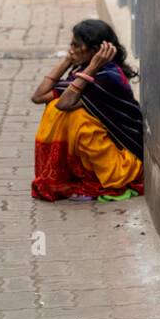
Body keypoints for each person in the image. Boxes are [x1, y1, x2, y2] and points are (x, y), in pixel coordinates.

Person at [31, 19, 144, 201]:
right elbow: (38, 96)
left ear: (95, 52)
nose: (71, 49)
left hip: (123, 160)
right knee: (61, 111)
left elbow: (64, 103)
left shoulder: (107, 76)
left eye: (76, 45)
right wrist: (68, 60)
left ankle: (98, 175)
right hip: (106, 148)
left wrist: (92, 68)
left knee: (79, 120)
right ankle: (81, 173)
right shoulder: (85, 71)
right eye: (71, 44)